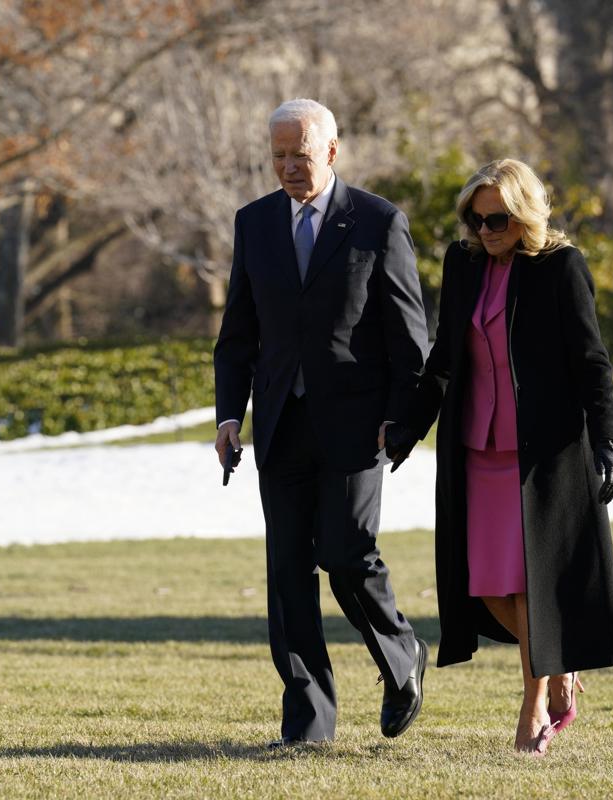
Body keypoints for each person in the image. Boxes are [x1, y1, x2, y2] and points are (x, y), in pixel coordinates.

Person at [384, 159, 613, 755]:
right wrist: (410, 427)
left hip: (541, 455)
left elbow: (591, 364)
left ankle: (533, 706)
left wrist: (609, 442)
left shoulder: (561, 268)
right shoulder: (463, 264)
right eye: (475, 218)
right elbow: (443, 357)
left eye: (497, 219)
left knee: (528, 586)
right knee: (485, 587)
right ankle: (562, 665)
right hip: (476, 449)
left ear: (524, 217)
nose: (485, 229)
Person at [213, 98, 431, 747]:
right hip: (280, 422)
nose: (286, 167)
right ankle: (309, 721)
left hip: (357, 427)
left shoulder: (377, 223)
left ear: (331, 152)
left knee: (345, 557)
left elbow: (410, 339)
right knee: (287, 575)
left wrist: (402, 419)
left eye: (298, 155)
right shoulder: (253, 224)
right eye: (277, 155)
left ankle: (402, 659)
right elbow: (237, 336)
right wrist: (230, 414)